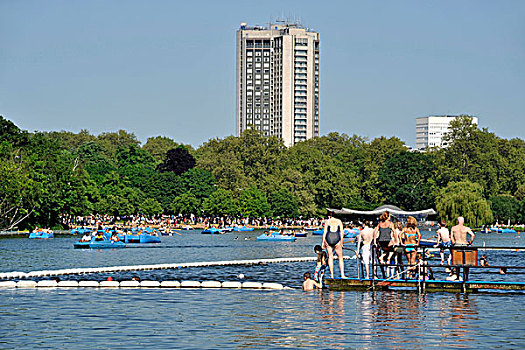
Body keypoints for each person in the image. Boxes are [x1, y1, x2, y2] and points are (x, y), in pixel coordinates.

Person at [322, 211, 346, 279]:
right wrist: (341, 242)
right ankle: (342, 274)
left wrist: (323, 242)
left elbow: (324, 232)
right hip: (336, 238)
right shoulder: (339, 221)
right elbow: (342, 232)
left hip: (328, 237)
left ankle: (332, 275)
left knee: (330, 257)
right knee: (340, 257)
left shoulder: (327, 221)